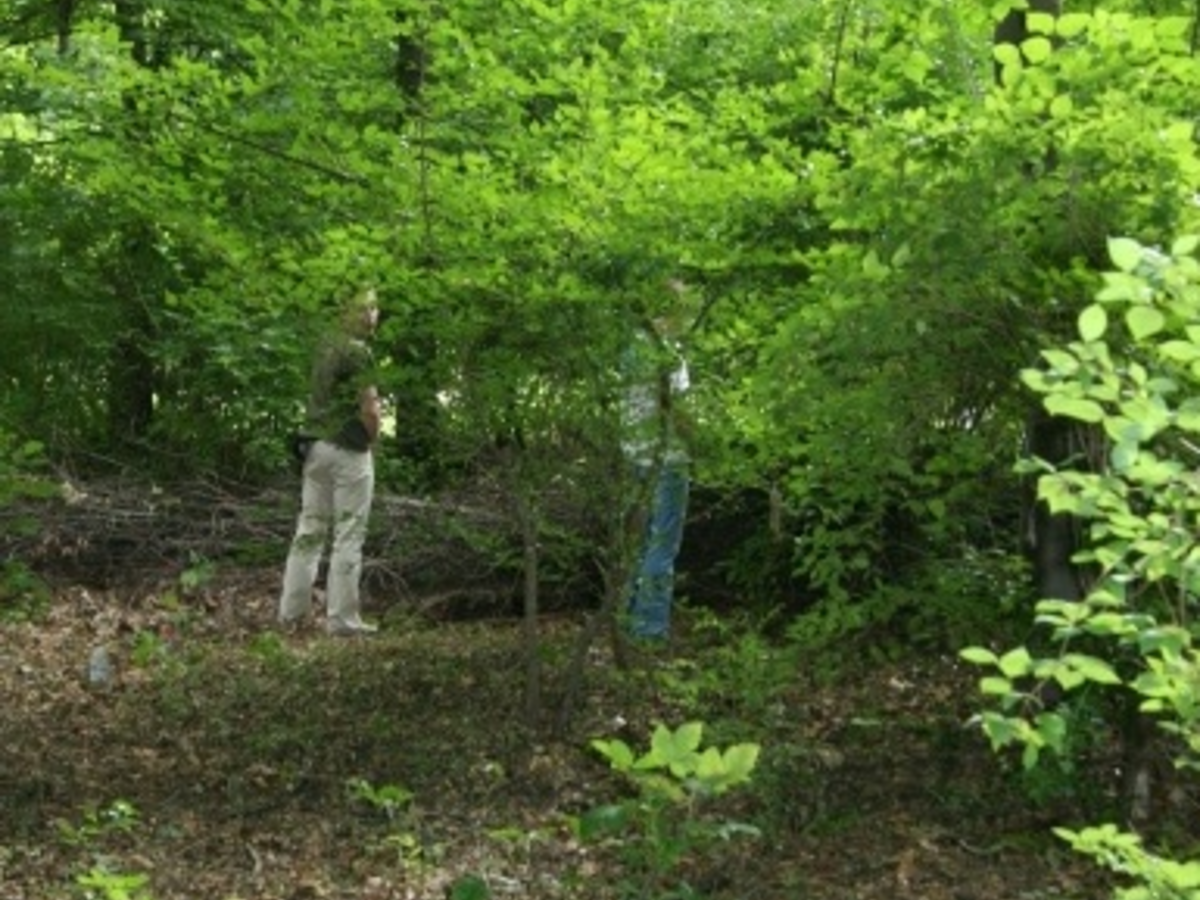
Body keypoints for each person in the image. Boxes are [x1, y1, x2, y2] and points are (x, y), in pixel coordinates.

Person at [279, 285, 382, 636]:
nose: (370, 316)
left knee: (309, 532)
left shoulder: (325, 346)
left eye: (374, 308)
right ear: (344, 312)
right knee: (348, 535)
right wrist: (372, 436)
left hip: (315, 448)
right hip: (349, 452)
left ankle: (291, 615)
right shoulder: (358, 352)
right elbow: (370, 408)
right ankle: (342, 620)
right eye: (362, 308)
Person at [621, 287, 692, 639]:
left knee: (638, 543)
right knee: (661, 545)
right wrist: (700, 443)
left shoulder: (631, 347)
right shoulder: (668, 353)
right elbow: (678, 410)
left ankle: (627, 618)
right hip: (668, 460)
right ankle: (648, 630)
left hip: (634, 456)